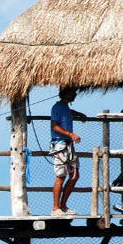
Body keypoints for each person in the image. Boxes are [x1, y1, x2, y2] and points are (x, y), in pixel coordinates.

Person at [50, 86, 86, 216]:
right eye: (73, 92)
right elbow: (54, 126)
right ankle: (56, 208)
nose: (75, 94)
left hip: (69, 145)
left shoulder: (65, 107)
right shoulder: (57, 107)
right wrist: (70, 134)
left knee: (75, 176)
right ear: (67, 94)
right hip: (60, 144)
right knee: (61, 176)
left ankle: (63, 205)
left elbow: (69, 112)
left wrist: (78, 114)